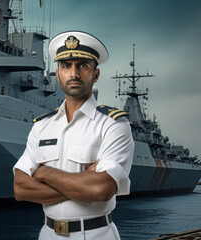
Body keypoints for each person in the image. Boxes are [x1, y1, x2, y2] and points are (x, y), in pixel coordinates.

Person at [13, 31, 134, 239]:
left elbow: (101, 190)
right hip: (48, 233)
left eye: (83, 66)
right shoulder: (41, 126)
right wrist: (84, 181)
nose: (74, 74)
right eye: (66, 66)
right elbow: (20, 188)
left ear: (95, 75)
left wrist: (44, 174)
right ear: (58, 74)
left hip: (96, 234)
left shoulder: (113, 124)